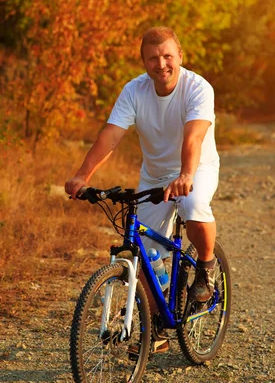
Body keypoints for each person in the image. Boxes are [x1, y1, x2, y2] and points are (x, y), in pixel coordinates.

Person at [65, 26, 220, 352]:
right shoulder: (134, 91)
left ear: (180, 56)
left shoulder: (198, 88)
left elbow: (193, 136)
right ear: (144, 62)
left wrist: (186, 174)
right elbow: (110, 136)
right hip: (154, 175)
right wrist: (82, 176)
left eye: (167, 56)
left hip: (197, 168)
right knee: (146, 253)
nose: (161, 64)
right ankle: (159, 328)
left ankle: (206, 268)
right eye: (153, 58)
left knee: (192, 207)